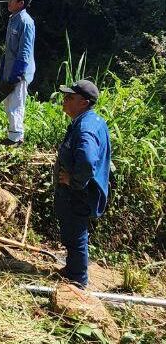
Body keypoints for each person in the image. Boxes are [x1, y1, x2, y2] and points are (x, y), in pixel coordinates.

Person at [56, 79, 111, 288]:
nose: (64, 101)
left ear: (83, 102)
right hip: (81, 191)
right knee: (74, 232)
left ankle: (77, 281)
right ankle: (72, 270)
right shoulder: (92, 121)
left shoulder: (86, 128)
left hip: (78, 193)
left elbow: (87, 160)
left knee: (76, 234)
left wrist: (74, 181)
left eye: (69, 98)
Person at [0, 0, 36, 145]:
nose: (9, 2)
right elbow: (10, 50)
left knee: (16, 103)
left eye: (13, 0)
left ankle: (16, 138)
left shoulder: (26, 22)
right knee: (8, 103)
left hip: (19, 72)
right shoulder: (13, 18)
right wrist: (2, 67)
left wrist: (17, 73)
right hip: (9, 69)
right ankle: (12, 135)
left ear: (21, 3)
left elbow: (25, 52)